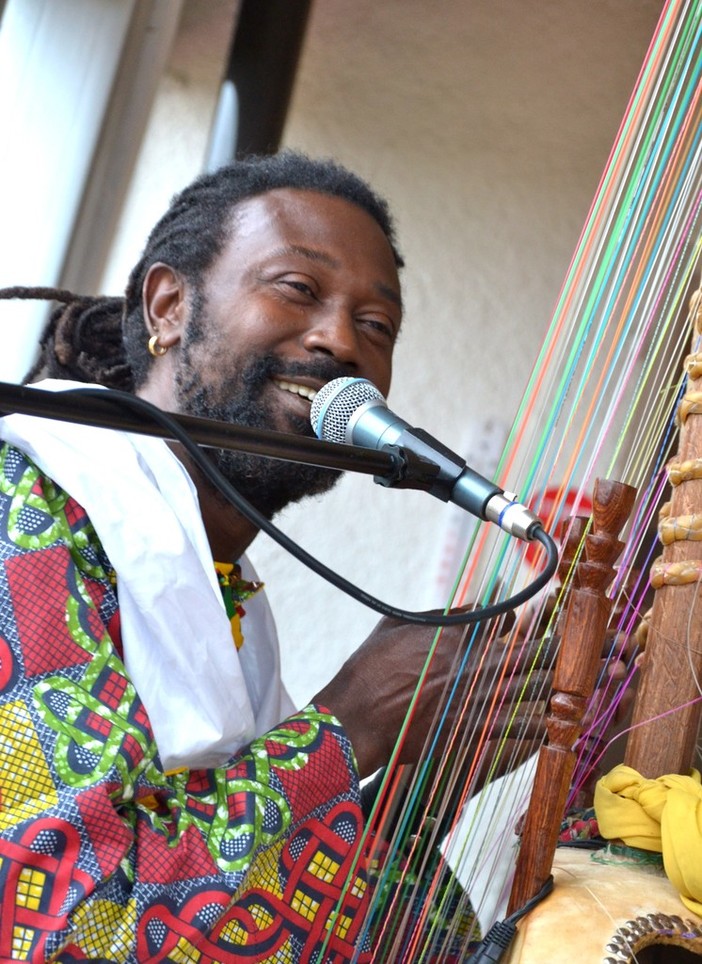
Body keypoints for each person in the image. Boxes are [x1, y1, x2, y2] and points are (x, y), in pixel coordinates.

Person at [0, 151, 626, 962]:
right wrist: (352, 720)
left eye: (378, 327)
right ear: (168, 306)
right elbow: (74, 922)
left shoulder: (225, 593)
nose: (340, 341)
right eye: (298, 289)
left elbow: (260, 917)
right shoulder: (26, 503)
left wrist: (420, 791)